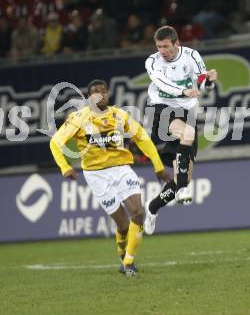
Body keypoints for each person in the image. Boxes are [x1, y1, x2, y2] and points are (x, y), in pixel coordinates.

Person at [50, 79, 169, 276]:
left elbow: (142, 138)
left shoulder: (120, 115)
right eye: (95, 92)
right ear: (89, 97)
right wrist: (65, 167)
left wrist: (158, 165)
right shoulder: (78, 118)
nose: (100, 94)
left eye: (103, 91)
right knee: (122, 226)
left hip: (122, 169)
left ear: (108, 95)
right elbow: (55, 143)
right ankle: (123, 255)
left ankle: (129, 263)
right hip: (96, 175)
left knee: (138, 213)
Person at [144, 25, 218, 235]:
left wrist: (209, 81)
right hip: (161, 110)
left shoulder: (191, 56)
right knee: (187, 134)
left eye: (166, 46)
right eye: (159, 47)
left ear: (177, 44)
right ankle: (183, 189)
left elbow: (202, 82)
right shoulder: (152, 61)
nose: (162, 51)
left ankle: (152, 208)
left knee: (182, 177)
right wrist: (185, 91)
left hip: (187, 114)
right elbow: (162, 83)